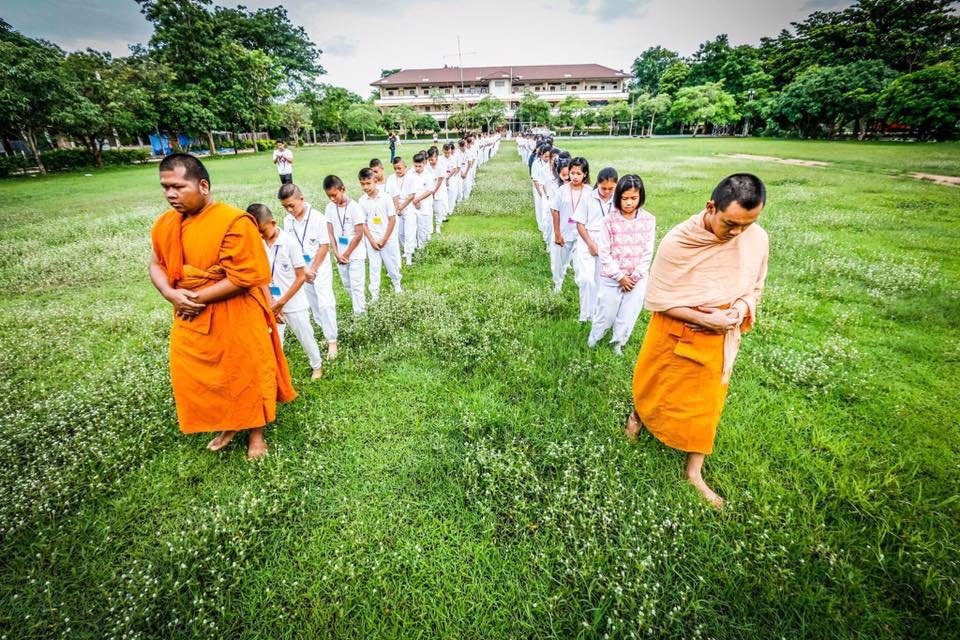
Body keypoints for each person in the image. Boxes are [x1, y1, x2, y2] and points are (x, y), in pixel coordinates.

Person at [628, 173, 769, 509]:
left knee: (707, 405)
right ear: (711, 207)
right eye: (731, 223)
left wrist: (738, 309)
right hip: (674, 330)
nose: (737, 233)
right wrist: (707, 319)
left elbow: (755, 286)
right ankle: (637, 418)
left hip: (719, 338)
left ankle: (694, 471)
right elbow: (659, 298)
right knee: (654, 384)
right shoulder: (678, 241)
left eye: (747, 225)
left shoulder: (756, 238)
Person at [149, 153, 296, 460]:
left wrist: (193, 298)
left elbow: (245, 276)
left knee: (246, 371)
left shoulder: (233, 221)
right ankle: (228, 422)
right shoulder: (165, 224)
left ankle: (256, 431)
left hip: (235, 311)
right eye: (165, 188)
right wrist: (169, 293)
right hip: (190, 316)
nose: (171, 194)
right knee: (203, 376)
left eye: (178, 186)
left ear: (203, 185)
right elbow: (156, 263)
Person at [249, 203, 324, 381]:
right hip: (270, 302)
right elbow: (260, 277)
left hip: (293, 302)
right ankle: (276, 375)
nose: (260, 234)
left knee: (305, 336)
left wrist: (281, 302)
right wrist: (271, 304)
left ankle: (317, 365)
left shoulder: (289, 243)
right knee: (274, 342)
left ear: (273, 222)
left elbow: (300, 277)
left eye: (262, 230)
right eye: (256, 232)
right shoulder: (258, 244)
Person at [587, 174, 656, 354]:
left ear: (641, 197)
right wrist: (620, 277)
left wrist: (634, 276)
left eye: (633, 198)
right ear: (618, 197)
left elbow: (648, 251)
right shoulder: (608, 221)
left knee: (628, 314)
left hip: (636, 279)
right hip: (612, 277)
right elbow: (604, 253)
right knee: (606, 313)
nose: (628, 203)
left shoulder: (649, 220)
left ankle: (618, 342)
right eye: (625, 198)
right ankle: (594, 339)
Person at [278, 183, 339, 360]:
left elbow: (324, 245)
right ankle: (323, 329)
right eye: (285, 207)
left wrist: (312, 269)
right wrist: (304, 270)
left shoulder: (318, 218)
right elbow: (292, 247)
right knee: (312, 302)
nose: (289, 210)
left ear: (301, 199)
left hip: (319, 267)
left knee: (325, 302)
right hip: (302, 269)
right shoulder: (287, 221)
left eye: (292, 205)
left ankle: (332, 339)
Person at [574, 167, 618, 322]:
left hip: (607, 243)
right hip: (588, 239)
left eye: (611, 189)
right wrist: (590, 244)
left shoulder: (618, 200)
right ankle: (585, 315)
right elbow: (579, 224)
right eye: (603, 188)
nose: (607, 192)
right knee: (586, 279)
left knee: (601, 281)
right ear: (597, 184)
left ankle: (597, 315)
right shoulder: (587, 198)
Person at [323, 175, 367, 315]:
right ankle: (360, 306)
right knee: (347, 284)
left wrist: (346, 254)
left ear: (343, 189)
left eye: (334, 195)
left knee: (356, 285)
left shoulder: (355, 207)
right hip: (340, 255)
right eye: (329, 196)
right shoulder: (329, 208)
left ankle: (359, 314)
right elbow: (330, 233)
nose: (332, 199)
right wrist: (336, 253)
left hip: (355, 254)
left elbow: (359, 234)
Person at [358, 167, 403, 301]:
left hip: (387, 238)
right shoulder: (362, 201)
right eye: (362, 183)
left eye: (368, 183)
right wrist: (371, 240)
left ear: (375, 181)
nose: (365, 187)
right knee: (374, 267)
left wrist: (384, 239)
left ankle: (397, 284)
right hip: (372, 240)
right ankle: (375, 294)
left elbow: (392, 219)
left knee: (392, 263)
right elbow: (363, 223)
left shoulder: (386, 198)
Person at [551, 157, 591, 294]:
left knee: (580, 264)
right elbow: (555, 211)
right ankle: (558, 284)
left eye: (578, 173)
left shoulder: (589, 192)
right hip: (564, 232)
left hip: (581, 235)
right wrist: (557, 234)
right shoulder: (562, 190)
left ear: (585, 174)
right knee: (559, 262)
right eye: (572, 173)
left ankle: (582, 287)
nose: (574, 176)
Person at [386, 156, 418, 266]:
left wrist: (401, 207)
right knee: (400, 232)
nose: (397, 171)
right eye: (395, 168)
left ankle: (409, 256)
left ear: (405, 167)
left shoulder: (411, 177)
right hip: (395, 207)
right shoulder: (391, 178)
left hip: (408, 206)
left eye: (399, 168)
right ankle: (405, 249)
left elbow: (411, 195)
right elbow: (389, 195)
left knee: (409, 231)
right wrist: (395, 208)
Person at [408, 151, 436, 251]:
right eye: (415, 166)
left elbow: (430, 190)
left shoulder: (428, 175)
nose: (417, 168)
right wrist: (414, 200)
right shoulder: (410, 173)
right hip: (412, 204)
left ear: (424, 163)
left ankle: (422, 248)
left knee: (423, 226)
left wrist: (418, 199)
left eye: (419, 166)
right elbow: (407, 188)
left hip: (425, 204)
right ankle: (413, 247)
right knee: (412, 227)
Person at [426, 146, 449, 234]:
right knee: (429, 211)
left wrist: (433, 191)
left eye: (433, 159)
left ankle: (438, 226)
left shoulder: (441, 165)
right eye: (430, 159)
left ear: (437, 157)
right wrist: (429, 192)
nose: (432, 161)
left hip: (438, 191)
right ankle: (430, 229)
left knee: (438, 210)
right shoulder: (426, 167)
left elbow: (440, 180)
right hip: (428, 192)